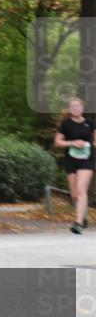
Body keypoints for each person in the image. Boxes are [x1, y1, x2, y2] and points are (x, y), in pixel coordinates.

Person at [54, 97, 94, 234]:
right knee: (74, 194)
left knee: (81, 190)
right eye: (73, 106)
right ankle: (82, 216)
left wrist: (88, 144)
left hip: (87, 159)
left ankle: (77, 223)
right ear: (70, 109)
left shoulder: (90, 123)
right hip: (71, 160)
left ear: (82, 108)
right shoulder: (66, 124)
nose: (76, 108)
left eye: (78, 106)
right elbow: (58, 142)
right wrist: (72, 143)